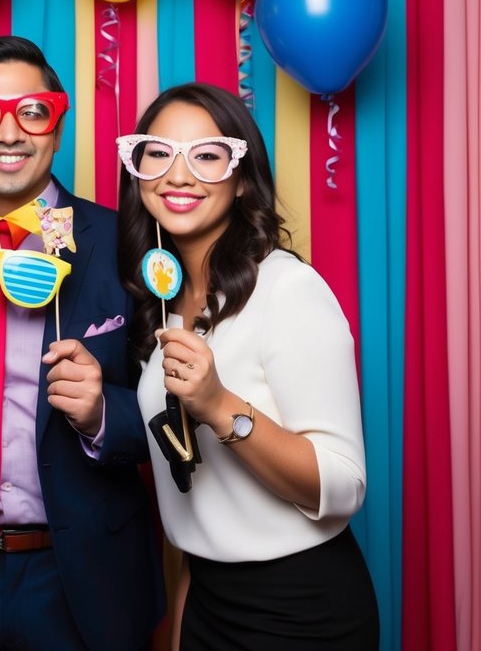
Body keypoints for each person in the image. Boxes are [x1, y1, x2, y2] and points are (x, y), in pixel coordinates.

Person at [0, 36, 164, 650]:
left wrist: (105, 413)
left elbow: (182, 415)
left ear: (57, 123)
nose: (8, 133)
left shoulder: (123, 243)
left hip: (83, 571)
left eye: (31, 111)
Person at [115, 83, 379, 649]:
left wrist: (219, 406)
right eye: (157, 153)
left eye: (206, 156)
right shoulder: (163, 300)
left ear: (240, 181)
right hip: (208, 596)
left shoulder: (287, 289)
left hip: (301, 609)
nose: (178, 175)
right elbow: (200, 503)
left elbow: (342, 485)